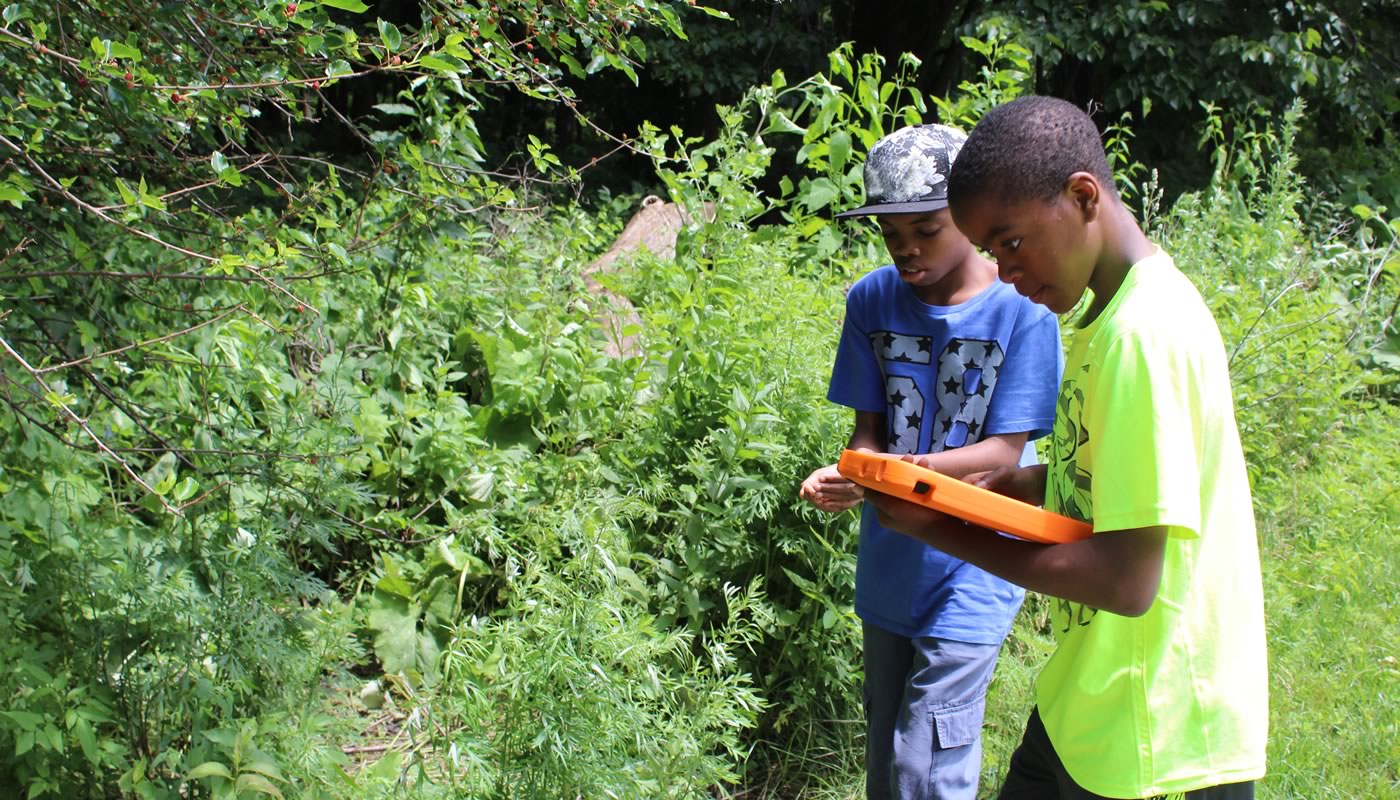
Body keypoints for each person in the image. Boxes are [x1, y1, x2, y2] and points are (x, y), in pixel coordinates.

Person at [866, 96, 1268, 799]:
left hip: (1157, 725)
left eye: (1012, 241)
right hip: (1090, 695)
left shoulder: (1143, 338)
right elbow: (1125, 479)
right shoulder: (1111, 318)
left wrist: (944, 529)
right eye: (992, 252)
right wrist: (1031, 485)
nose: (1007, 271)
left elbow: (1125, 580)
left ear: (1083, 195)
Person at [798, 123, 1063, 799]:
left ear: (970, 220)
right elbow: (868, 436)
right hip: (890, 559)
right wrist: (854, 475)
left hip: (978, 561)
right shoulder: (871, 300)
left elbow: (1003, 452)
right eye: (891, 235)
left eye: (927, 229)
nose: (907, 249)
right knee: (887, 761)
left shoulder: (1023, 311)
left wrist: (892, 470)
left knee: (928, 760)